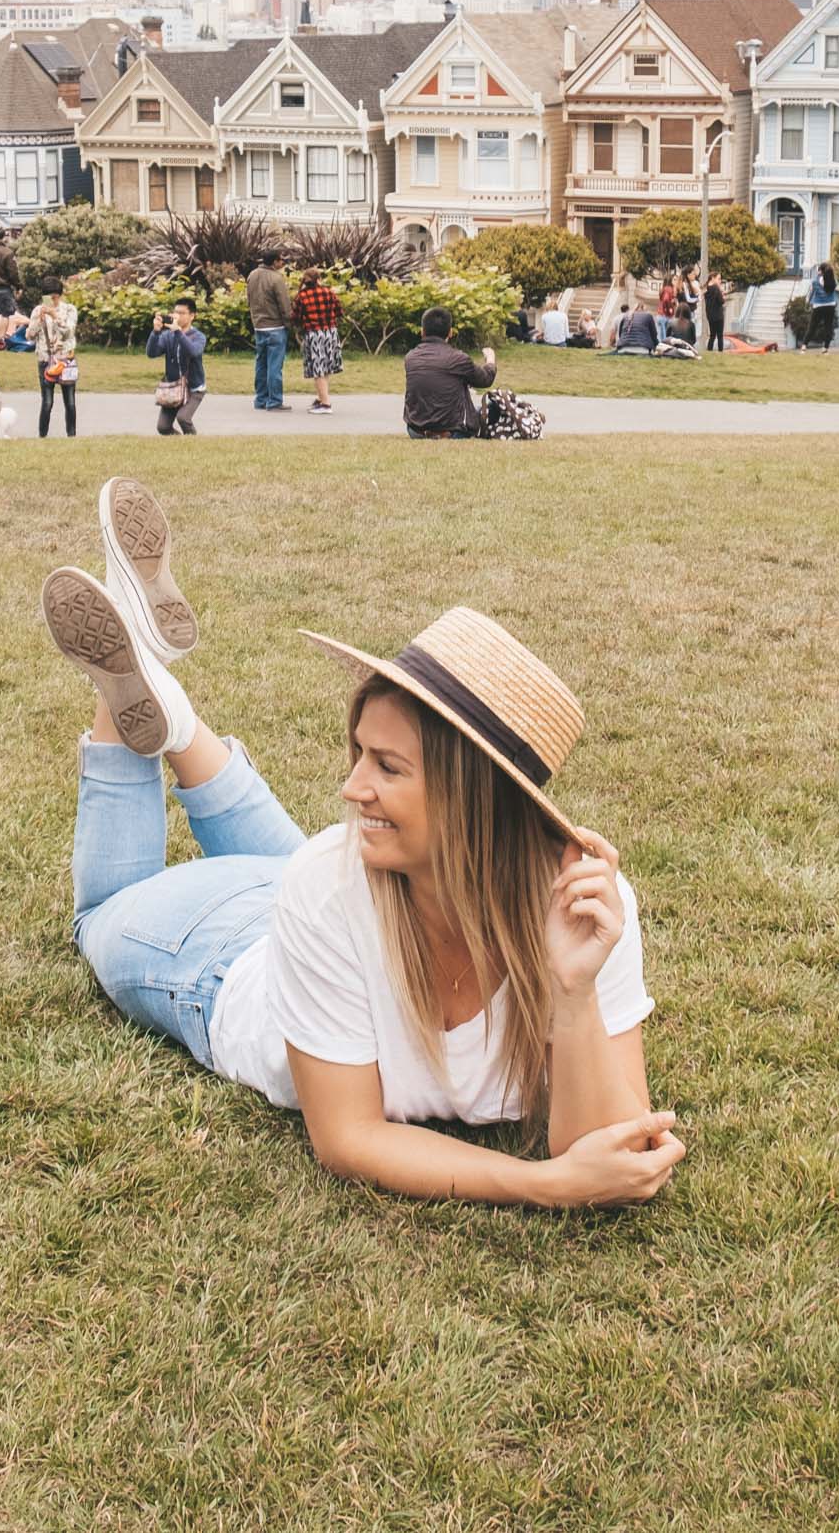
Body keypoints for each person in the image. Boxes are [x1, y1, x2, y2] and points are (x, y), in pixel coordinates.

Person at [39, 479, 684, 1209]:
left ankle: (174, 713)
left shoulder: (587, 906)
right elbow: (347, 1136)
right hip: (219, 961)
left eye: (387, 767)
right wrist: (543, 1185)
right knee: (103, 914)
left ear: (473, 798)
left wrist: (572, 991)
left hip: (322, 912)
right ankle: (130, 676)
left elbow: (614, 1146)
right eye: (360, 755)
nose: (350, 787)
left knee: (319, 868)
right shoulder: (333, 880)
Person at [403, 306, 496, 438]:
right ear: (450, 332)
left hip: (416, 430)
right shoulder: (459, 359)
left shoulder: (410, 357)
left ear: (422, 332)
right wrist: (490, 359)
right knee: (493, 407)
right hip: (453, 431)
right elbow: (486, 380)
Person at [147, 295, 208, 436]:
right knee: (163, 427)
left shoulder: (199, 336)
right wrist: (155, 332)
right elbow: (152, 353)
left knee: (183, 418)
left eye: (182, 313)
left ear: (192, 316)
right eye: (176, 312)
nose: (177, 316)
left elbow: (193, 351)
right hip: (174, 388)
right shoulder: (168, 335)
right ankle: (179, 444)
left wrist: (178, 332)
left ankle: (194, 445)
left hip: (194, 388)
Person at [29, 275, 80, 437]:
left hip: (65, 359)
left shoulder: (70, 309)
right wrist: (39, 320)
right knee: (47, 401)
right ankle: (42, 436)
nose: (51, 300)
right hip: (45, 359)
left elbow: (69, 332)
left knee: (70, 402)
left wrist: (55, 316)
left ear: (60, 295)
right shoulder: (38, 310)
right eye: (48, 297)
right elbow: (29, 335)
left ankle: (71, 435)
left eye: (54, 297)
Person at [292, 266, 343, 414]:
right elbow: (339, 311)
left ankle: (326, 404)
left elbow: (295, 317)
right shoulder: (329, 292)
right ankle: (321, 398)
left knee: (317, 369)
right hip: (330, 332)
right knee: (325, 367)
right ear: (319, 279)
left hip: (314, 334)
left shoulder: (301, 296)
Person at [247, 247, 293, 411]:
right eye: (281, 260)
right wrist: (289, 324)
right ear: (274, 262)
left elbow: (249, 300)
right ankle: (274, 401)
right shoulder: (276, 278)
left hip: (259, 326)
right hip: (276, 327)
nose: (283, 262)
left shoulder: (252, 275)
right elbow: (284, 305)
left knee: (261, 365)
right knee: (275, 366)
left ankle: (261, 399)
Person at [805, 263, 838, 352]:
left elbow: (810, 294)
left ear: (820, 271)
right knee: (828, 327)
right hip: (830, 305)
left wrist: (807, 303)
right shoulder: (833, 280)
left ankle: (804, 345)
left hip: (818, 305)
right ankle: (825, 348)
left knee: (812, 326)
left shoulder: (815, 281)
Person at [703, 272, 727, 354]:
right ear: (713, 278)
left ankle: (709, 351)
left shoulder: (706, 288)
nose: (720, 281)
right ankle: (720, 352)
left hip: (710, 315)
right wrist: (723, 295)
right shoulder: (716, 288)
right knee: (720, 336)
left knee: (712, 335)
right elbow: (721, 301)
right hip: (718, 315)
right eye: (719, 278)